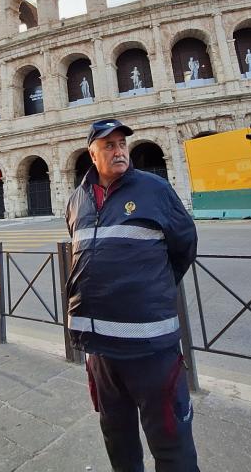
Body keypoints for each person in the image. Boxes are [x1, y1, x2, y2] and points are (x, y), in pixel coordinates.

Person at [66, 119, 199, 472]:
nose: (119, 150)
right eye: (108, 145)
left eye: (122, 143)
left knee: (171, 442)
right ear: (92, 154)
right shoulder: (77, 199)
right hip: (100, 349)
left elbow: (183, 246)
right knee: (117, 437)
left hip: (151, 346)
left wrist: (151, 288)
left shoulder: (153, 189)